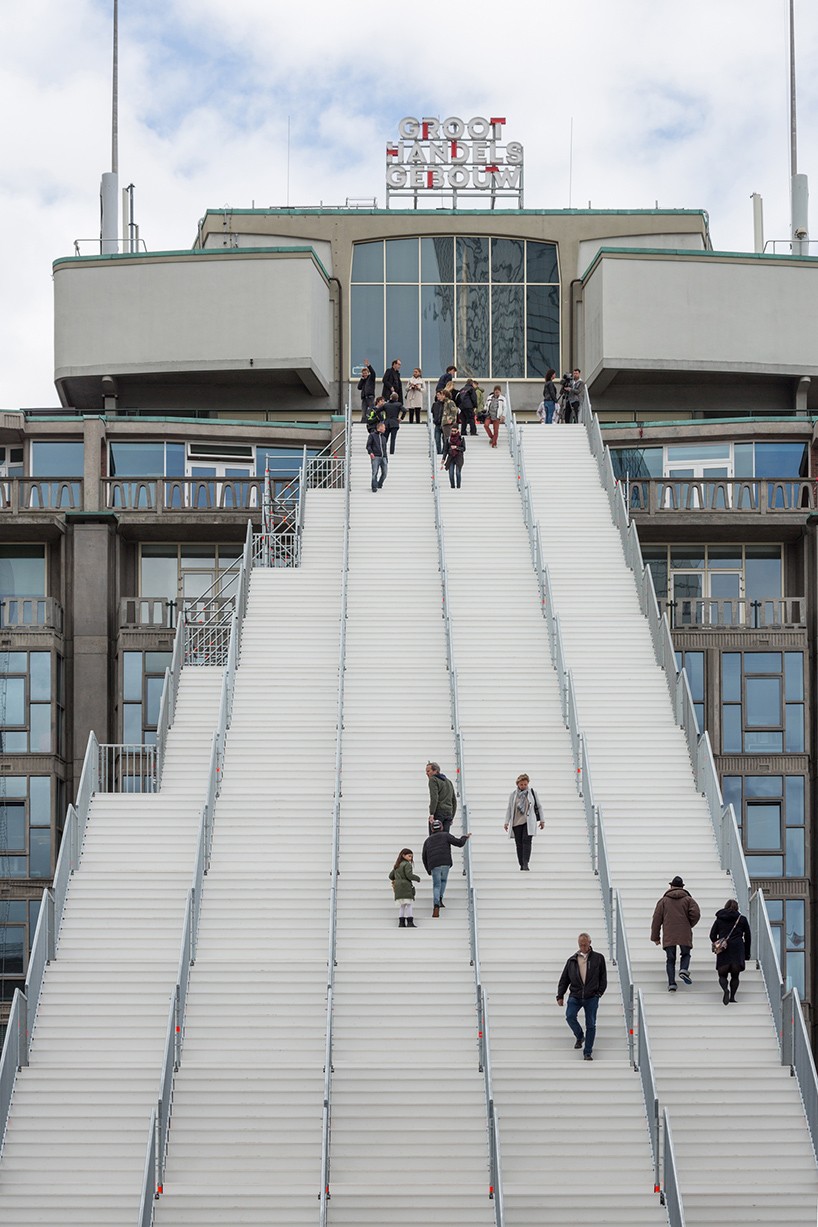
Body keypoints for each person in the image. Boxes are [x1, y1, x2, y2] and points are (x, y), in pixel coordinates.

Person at [556, 933, 607, 1061]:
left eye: (585, 944)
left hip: (592, 996)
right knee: (570, 1016)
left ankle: (587, 1052)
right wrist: (560, 995)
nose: (583, 947)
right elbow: (564, 979)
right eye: (580, 945)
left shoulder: (598, 958)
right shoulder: (572, 960)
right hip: (575, 995)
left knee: (591, 1024)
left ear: (590, 942)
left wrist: (599, 993)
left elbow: (603, 977)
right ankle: (579, 1036)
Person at [651, 875, 701, 991]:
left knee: (670, 959)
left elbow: (656, 919)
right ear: (682, 887)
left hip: (669, 933)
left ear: (671, 886)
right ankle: (683, 969)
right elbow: (696, 914)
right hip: (684, 932)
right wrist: (689, 924)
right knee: (686, 954)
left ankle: (672, 984)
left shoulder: (663, 901)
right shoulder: (689, 900)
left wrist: (655, 937)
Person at [422, 819, 471, 917]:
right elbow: (459, 843)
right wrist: (465, 837)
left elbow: (424, 856)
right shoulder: (446, 835)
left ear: (432, 829)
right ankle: (440, 899)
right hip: (445, 862)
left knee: (436, 885)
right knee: (443, 881)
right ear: (441, 827)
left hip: (434, 864)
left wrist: (428, 869)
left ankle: (436, 905)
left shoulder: (428, 840)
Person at [709, 899, 752, 1004]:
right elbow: (748, 937)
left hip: (724, 950)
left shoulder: (719, 919)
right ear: (737, 907)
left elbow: (712, 935)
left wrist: (718, 942)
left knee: (722, 975)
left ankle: (725, 990)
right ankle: (732, 997)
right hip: (737, 949)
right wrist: (747, 953)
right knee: (735, 976)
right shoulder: (742, 919)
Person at [503, 773, 544, 870]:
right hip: (516, 822)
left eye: (525, 784)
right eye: (521, 784)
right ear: (517, 784)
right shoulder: (513, 795)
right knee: (519, 844)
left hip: (528, 821)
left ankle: (526, 863)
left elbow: (539, 806)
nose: (523, 786)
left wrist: (542, 820)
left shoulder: (532, 793)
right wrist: (506, 822)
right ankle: (521, 864)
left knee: (527, 841)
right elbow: (509, 809)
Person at [389, 848, 420, 928]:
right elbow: (409, 875)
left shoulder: (397, 865)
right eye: (409, 856)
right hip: (405, 887)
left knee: (402, 905)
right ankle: (410, 922)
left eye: (411, 856)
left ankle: (401, 923)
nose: (411, 858)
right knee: (409, 905)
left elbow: (390, 876)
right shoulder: (407, 864)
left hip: (398, 888)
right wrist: (417, 878)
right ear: (403, 855)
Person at [426, 761, 457, 833]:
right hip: (448, 814)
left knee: (434, 837)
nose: (426, 773)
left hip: (439, 813)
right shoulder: (448, 781)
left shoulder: (433, 779)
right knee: (445, 837)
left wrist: (432, 813)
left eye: (428, 771)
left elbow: (434, 797)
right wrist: (452, 816)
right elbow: (454, 800)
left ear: (435, 771)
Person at [366, 420, 388, 492]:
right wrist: (371, 453)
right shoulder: (372, 435)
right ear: (380, 427)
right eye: (384, 427)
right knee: (375, 472)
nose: (385, 429)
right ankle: (374, 486)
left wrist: (386, 458)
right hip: (375, 456)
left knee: (385, 473)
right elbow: (368, 445)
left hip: (383, 457)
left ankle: (379, 484)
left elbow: (385, 449)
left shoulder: (384, 438)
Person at [432, 390, 446, 455]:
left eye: (438, 395)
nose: (437, 396)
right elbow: (432, 412)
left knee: (445, 439)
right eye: (437, 395)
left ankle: (444, 452)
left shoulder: (446, 404)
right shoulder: (435, 404)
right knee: (437, 439)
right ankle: (438, 452)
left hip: (445, 424)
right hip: (437, 424)